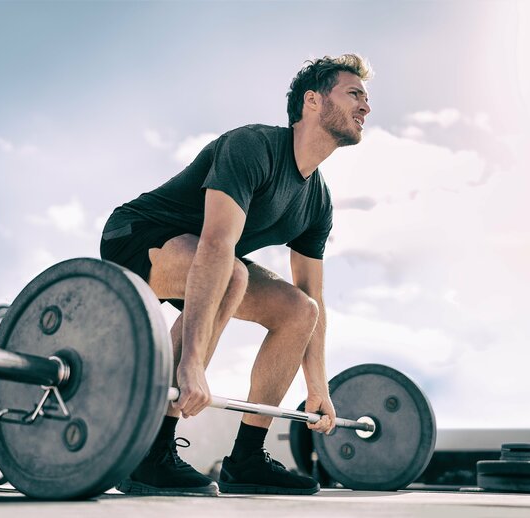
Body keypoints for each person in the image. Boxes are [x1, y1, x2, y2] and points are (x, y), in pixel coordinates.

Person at [100, 53, 371, 496]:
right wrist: (190, 365)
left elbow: (313, 296)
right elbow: (216, 245)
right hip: (134, 236)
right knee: (232, 275)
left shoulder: (317, 201)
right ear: (313, 102)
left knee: (298, 310)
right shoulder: (253, 146)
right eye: (354, 94)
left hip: (210, 261)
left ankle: (246, 458)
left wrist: (317, 386)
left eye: (366, 98)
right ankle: (150, 453)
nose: (366, 106)